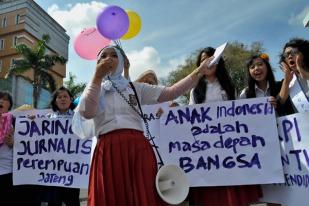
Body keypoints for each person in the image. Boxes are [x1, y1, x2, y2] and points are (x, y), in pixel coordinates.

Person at [73, 45, 213, 206]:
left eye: (114, 55)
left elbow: (172, 92)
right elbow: (87, 112)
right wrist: (97, 78)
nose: (108, 59)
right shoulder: (93, 88)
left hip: (137, 149)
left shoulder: (135, 87)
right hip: (108, 150)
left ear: (121, 61)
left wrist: (199, 71)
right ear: (97, 63)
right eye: (103, 56)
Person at [188, 47, 261, 206]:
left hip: (229, 146)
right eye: (203, 60)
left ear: (218, 61)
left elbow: (240, 114)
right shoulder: (195, 90)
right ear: (199, 65)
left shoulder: (229, 86)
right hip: (206, 147)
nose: (207, 62)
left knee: (232, 191)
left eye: (211, 58)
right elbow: (189, 119)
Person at [40, 86, 80, 206]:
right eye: (59, 97)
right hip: (54, 172)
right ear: (55, 100)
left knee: (72, 201)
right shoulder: (47, 119)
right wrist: (33, 122)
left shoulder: (78, 118)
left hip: (72, 170)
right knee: (54, 202)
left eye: (65, 97)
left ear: (71, 99)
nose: (62, 99)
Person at [280, 38, 309, 113]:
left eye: (293, 52)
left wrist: (304, 73)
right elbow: (279, 103)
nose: (289, 56)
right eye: (286, 55)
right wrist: (286, 81)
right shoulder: (288, 82)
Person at [0, 91, 15, 205]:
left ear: (9, 104)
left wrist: (13, 143)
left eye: (4, 99)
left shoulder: (16, 121)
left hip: (7, 171)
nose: (1, 101)